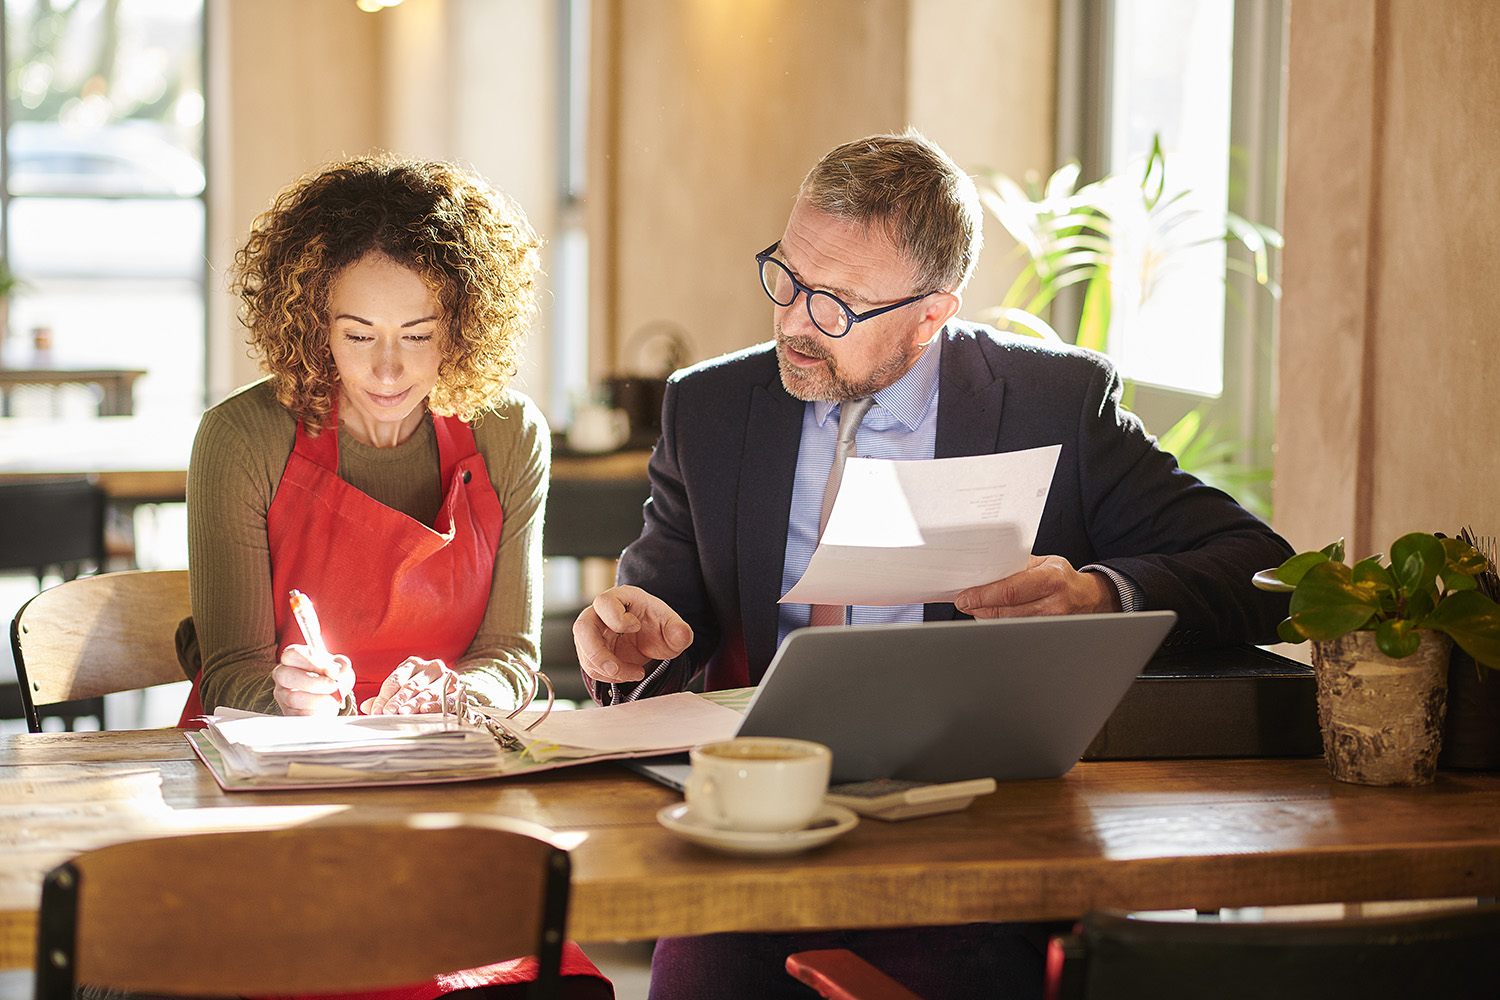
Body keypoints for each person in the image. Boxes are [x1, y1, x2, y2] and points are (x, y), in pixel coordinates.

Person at [573, 130, 1295, 999]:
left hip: (971, 831)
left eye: (839, 303)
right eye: (788, 279)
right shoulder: (711, 405)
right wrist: (631, 634)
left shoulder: (1052, 403)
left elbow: (1261, 566)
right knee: (698, 977)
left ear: (932, 313)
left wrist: (1097, 593)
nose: (798, 323)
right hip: (761, 832)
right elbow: (660, 600)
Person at [175, 154, 611, 999]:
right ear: (311, 324)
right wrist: (289, 696)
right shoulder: (241, 439)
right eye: (356, 335)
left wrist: (464, 696)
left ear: (462, 326)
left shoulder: (508, 433)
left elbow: (512, 656)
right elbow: (228, 675)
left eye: (419, 336)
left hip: (443, 790)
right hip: (273, 796)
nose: (387, 372)